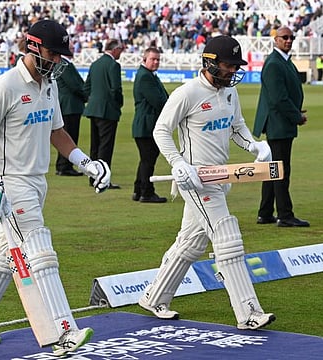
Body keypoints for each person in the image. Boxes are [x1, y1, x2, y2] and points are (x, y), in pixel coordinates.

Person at [0, 20, 111, 356]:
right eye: (53, 54)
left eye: (61, 55)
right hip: (12, 185)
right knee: (39, 252)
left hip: (37, 182)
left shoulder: (49, 84)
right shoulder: (5, 86)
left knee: (2, 255)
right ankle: (63, 332)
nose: (57, 61)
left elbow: (57, 130)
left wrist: (86, 162)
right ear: (33, 47)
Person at [139, 35, 276, 331]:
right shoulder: (187, 93)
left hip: (220, 177)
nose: (233, 71)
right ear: (210, 63)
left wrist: (255, 146)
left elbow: (236, 128)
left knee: (191, 242)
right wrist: (178, 163)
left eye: (236, 66)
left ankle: (154, 297)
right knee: (226, 236)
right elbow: (161, 130)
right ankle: (248, 312)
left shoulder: (229, 93)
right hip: (196, 181)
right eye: (229, 65)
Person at [253, 26, 310, 227]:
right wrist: (296, 116)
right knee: (281, 170)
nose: (288, 40)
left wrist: (296, 112)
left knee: (273, 169)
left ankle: (266, 212)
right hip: (278, 124)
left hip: (280, 122)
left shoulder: (282, 61)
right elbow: (278, 98)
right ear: (275, 40)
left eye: (291, 37)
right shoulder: (274, 63)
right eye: (284, 37)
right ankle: (285, 215)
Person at [83, 39, 125, 189]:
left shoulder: (95, 64)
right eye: (121, 50)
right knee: (105, 147)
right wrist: (119, 103)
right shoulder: (113, 65)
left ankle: (92, 176)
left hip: (94, 108)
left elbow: (87, 87)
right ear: (115, 50)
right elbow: (116, 89)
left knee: (95, 145)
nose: (122, 53)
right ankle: (102, 178)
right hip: (107, 110)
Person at [132, 47, 168, 203]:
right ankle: (146, 192)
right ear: (144, 59)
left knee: (145, 159)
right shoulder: (146, 76)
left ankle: (139, 189)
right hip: (146, 126)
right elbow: (159, 101)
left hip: (145, 125)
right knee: (148, 160)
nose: (156, 62)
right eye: (153, 59)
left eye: (158, 59)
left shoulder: (149, 75)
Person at [55, 44, 86, 176]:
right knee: (69, 136)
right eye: (71, 49)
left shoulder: (65, 64)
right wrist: (86, 95)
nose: (73, 51)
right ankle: (64, 166)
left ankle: (64, 165)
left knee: (69, 134)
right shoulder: (64, 65)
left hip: (69, 105)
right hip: (69, 106)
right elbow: (74, 86)